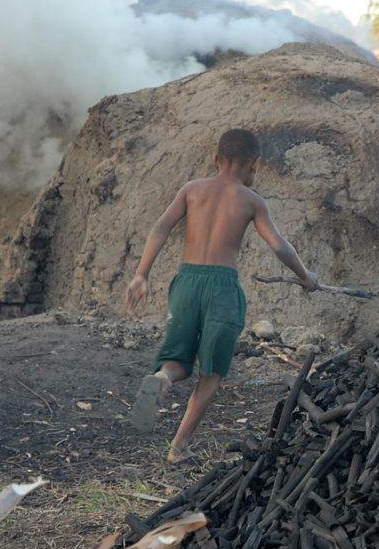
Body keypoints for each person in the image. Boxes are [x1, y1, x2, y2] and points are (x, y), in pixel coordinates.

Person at [124, 128, 318, 462]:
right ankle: (178, 447)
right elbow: (279, 247)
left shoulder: (191, 190)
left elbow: (161, 227)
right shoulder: (253, 201)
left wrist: (142, 274)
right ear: (254, 165)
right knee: (211, 373)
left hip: (186, 282)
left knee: (177, 360)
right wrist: (306, 276)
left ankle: (161, 379)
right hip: (223, 289)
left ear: (216, 160)